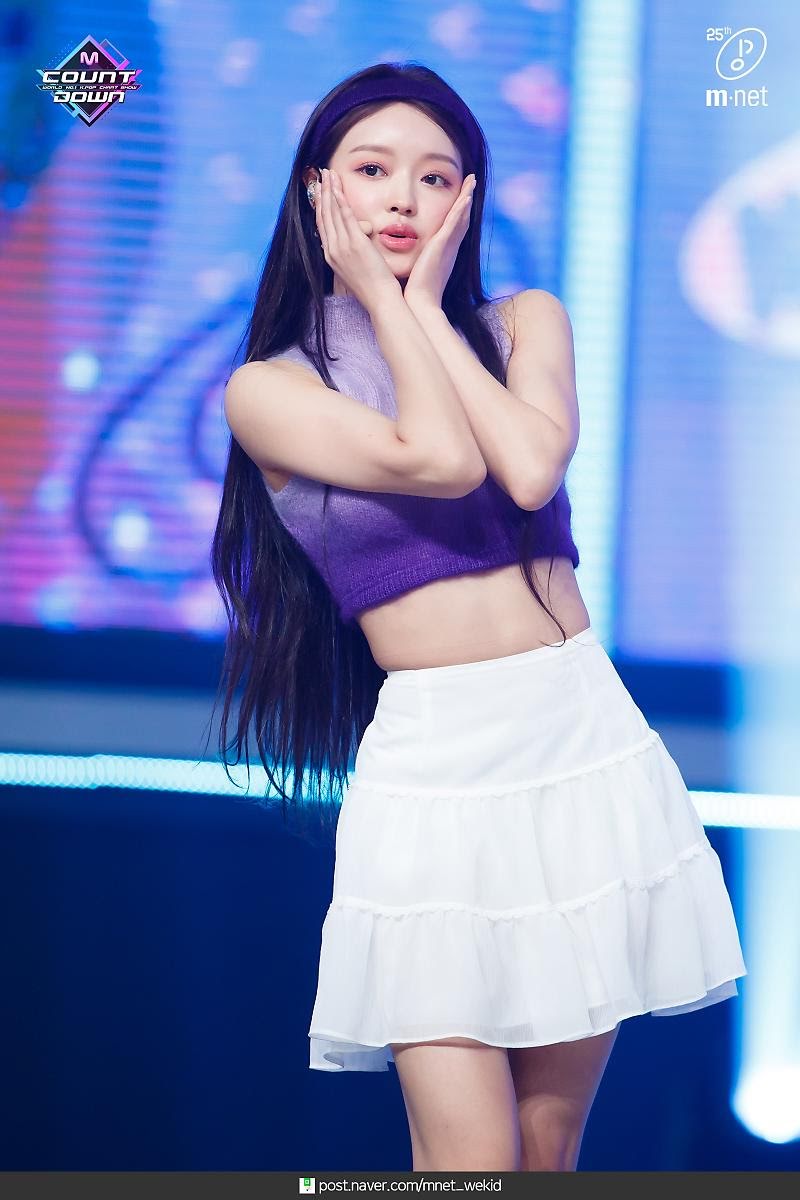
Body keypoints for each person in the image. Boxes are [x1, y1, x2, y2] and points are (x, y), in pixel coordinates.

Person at [210, 61, 747, 1172]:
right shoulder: (270, 388)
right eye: (372, 171)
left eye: (434, 176)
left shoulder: (522, 321)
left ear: (468, 197)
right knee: (468, 1161)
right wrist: (389, 306)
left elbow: (529, 466)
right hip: (438, 770)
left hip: (579, 740)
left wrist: (423, 313)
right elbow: (442, 459)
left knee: (543, 1156)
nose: (402, 200)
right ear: (319, 192)